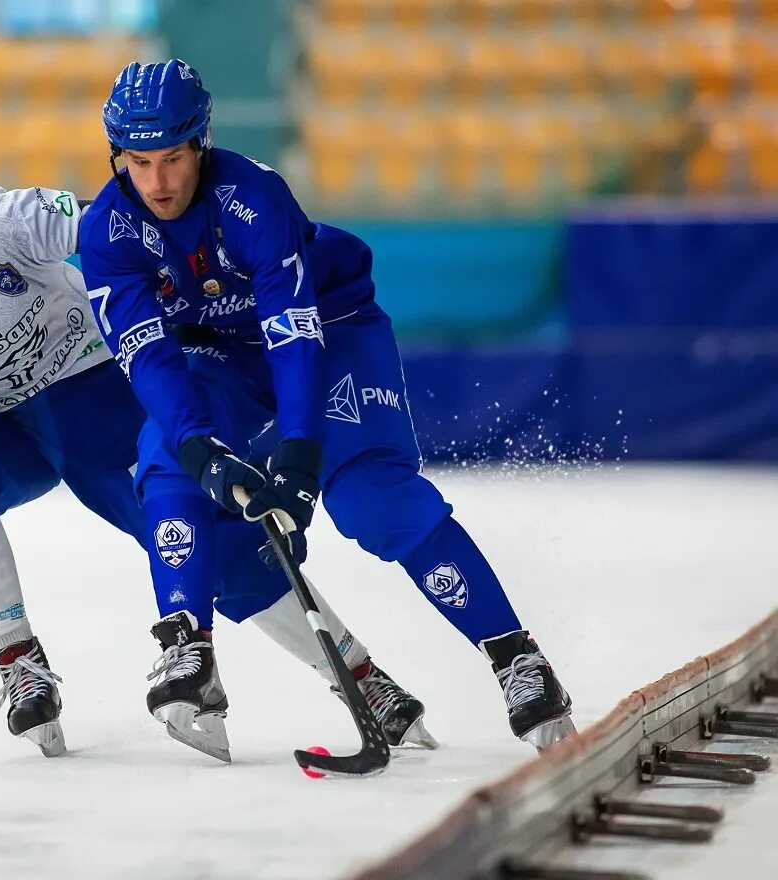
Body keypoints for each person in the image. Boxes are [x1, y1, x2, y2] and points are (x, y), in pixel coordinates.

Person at [0, 155, 435, 763]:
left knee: (217, 543)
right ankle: (17, 662)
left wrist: (194, 287)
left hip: (98, 388)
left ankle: (360, 678)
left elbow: (111, 222)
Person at [78, 60, 575, 751]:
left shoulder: (253, 199)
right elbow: (149, 357)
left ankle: (518, 659)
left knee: (370, 498)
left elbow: (293, 332)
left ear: (200, 145)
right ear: (118, 157)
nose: (158, 183)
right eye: (139, 163)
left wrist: (302, 452)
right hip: (220, 350)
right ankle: (188, 646)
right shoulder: (105, 232)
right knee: (167, 454)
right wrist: (203, 450)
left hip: (331, 331)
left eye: (172, 159)